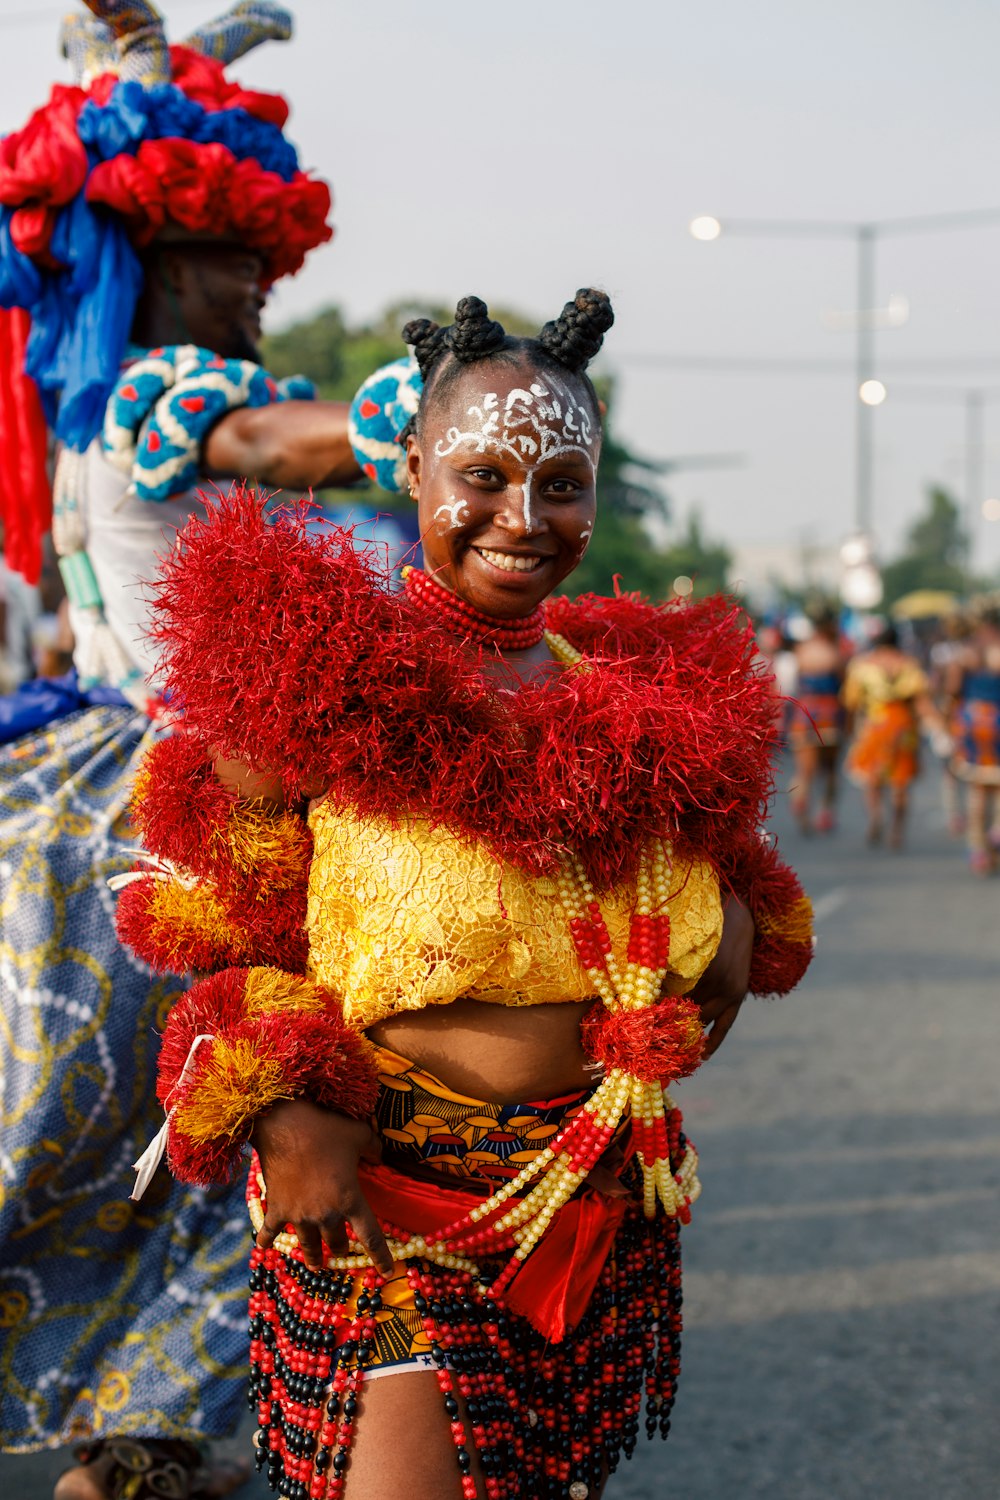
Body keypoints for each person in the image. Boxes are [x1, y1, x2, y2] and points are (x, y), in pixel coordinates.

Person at [117, 291, 815, 1499]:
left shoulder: (650, 709)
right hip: (384, 1208)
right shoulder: (317, 687)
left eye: (561, 485)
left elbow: (726, 938)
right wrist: (285, 1111)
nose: (522, 518)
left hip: (590, 1204)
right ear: (412, 468)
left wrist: (699, 964)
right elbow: (210, 929)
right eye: (482, 477)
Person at [0, 6, 371, 1495]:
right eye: (231, 263)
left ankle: (137, 1442)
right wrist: (458, 418)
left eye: (259, 264)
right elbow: (294, 446)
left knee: (181, 1151)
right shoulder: (164, 390)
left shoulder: (100, 403)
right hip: (183, 815)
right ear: (157, 267)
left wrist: (135, 63)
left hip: (125, 781)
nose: (257, 292)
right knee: (288, 1102)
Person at [843, 623, 938, 849]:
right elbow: (921, 702)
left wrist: (849, 730)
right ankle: (897, 830)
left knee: (872, 779)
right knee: (900, 781)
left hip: (875, 725)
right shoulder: (909, 665)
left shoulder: (862, 666)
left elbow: (851, 702)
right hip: (904, 728)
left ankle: (876, 816)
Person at [944, 601, 1000, 875]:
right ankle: (997, 833)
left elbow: (953, 689)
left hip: (972, 719)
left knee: (978, 788)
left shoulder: (967, 652)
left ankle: (978, 848)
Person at [785, 607, 847, 835]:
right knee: (829, 769)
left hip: (804, 713)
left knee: (804, 770)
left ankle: (801, 802)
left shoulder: (801, 651)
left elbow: (790, 686)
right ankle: (825, 812)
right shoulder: (835, 653)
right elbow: (845, 689)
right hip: (829, 713)